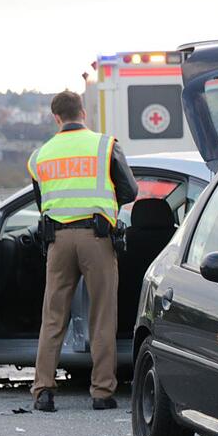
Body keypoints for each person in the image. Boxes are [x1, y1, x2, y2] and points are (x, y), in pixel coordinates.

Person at [27, 90, 138, 412]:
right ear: (83, 113)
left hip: (58, 241)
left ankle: (43, 391)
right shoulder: (104, 146)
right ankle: (102, 393)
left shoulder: (40, 156)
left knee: (53, 317)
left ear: (56, 117)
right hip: (97, 239)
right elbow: (130, 190)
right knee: (102, 316)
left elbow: (42, 202)